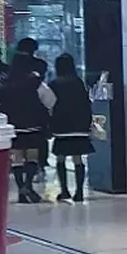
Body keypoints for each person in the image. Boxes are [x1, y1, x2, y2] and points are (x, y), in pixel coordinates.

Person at [0, 51, 56, 203]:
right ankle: (28, 184)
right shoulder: (36, 83)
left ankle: (21, 190)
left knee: (17, 158)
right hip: (33, 125)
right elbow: (50, 101)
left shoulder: (6, 84)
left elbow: (0, 103)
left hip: (14, 126)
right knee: (32, 157)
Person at [49, 53, 94, 202]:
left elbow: (50, 104)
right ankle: (80, 191)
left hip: (61, 126)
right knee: (78, 158)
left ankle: (65, 191)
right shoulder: (78, 82)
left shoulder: (54, 83)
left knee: (60, 157)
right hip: (79, 125)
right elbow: (86, 103)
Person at [16, 37, 49, 173]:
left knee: (17, 147)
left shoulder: (13, 68)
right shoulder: (40, 65)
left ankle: (20, 174)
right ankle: (39, 166)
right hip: (35, 110)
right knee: (37, 142)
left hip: (16, 111)